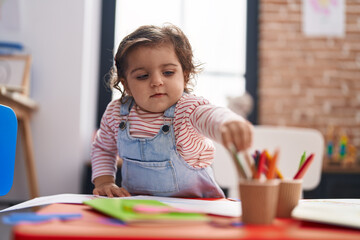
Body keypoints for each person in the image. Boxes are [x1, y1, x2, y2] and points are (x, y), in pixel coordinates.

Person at [91, 24, 253, 198]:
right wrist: (104, 182)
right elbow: (103, 148)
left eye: (168, 72)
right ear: (126, 84)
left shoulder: (188, 110)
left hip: (196, 212)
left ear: (185, 75)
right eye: (142, 76)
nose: (156, 81)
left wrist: (227, 122)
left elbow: (210, 115)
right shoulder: (116, 113)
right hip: (140, 211)